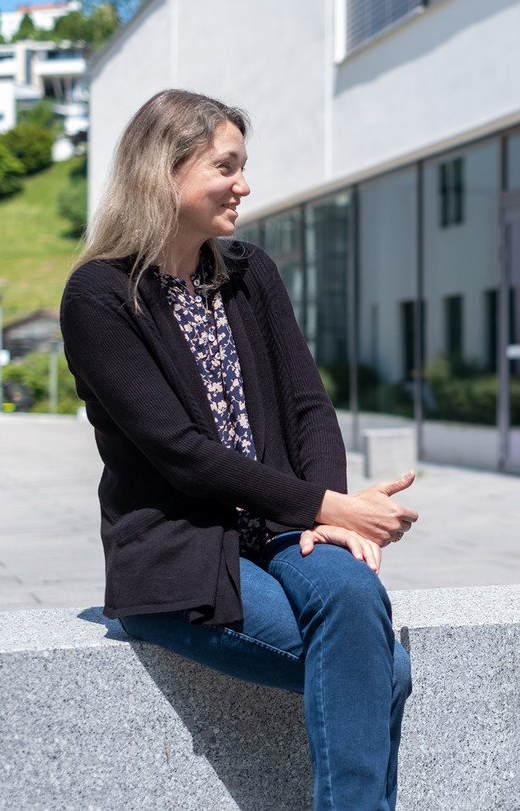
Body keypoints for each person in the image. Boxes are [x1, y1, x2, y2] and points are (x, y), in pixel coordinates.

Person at [60, 89, 417, 811]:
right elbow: (182, 453)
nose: (244, 185)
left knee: (356, 597)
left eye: (243, 166)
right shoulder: (98, 297)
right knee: (385, 667)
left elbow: (308, 404)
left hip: (282, 529)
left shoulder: (250, 273)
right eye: (226, 166)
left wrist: (325, 517)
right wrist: (329, 503)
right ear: (166, 170)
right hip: (182, 555)